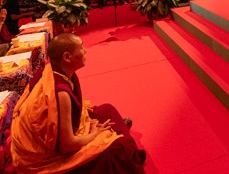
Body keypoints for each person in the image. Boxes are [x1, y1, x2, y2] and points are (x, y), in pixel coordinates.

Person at [11, 34, 145, 173]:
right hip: (46, 159)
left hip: (61, 136)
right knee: (117, 148)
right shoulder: (60, 93)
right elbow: (67, 145)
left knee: (107, 110)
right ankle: (129, 150)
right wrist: (93, 134)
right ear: (67, 57)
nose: (85, 50)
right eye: (81, 47)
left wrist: (88, 125)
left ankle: (127, 145)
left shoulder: (60, 71)